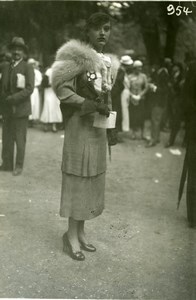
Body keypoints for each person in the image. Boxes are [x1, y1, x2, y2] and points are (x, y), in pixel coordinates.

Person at [52, 12, 117, 260]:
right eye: (98, 28)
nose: (103, 33)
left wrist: (110, 124)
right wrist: (88, 105)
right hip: (79, 125)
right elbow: (62, 89)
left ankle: (80, 232)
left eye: (107, 29)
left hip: (98, 127)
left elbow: (107, 94)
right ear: (88, 32)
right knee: (78, 177)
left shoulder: (107, 62)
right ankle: (70, 235)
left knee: (92, 177)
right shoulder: (75, 57)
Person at [0, 37, 34, 175]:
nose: (16, 52)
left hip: (21, 109)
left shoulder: (27, 67)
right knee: (7, 138)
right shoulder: (6, 66)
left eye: (19, 49)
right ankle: (6, 164)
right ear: (10, 51)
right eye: (14, 49)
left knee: (20, 139)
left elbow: (29, 88)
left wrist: (13, 98)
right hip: (7, 110)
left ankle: (19, 166)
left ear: (23, 52)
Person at [146, 58, 171, 147]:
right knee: (157, 119)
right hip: (160, 101)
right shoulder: (163, 71)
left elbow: (164, 89)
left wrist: (154, 88)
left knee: (155, 120)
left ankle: (153, 140)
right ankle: (156, 138)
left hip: (159, 101)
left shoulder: (163, 73)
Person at [165, 62, 185, 148]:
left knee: (176, 120)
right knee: (173, 119)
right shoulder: (172, 75)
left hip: (178, 100)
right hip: (172, 100)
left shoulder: (182, 77)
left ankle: (172, 141)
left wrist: (172, 87)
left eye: (175, 67)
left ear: (179, 68)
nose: (173, 69)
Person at [128, 60, 148, 139]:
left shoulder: (143, 76)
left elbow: (146, 87)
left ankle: (143, 134)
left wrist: (140, 95)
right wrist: (132, 95)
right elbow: (127, 88)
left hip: (141, 98)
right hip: (132, 99)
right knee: (133, 116)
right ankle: (133, 133)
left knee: (142, 116)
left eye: (141, 67)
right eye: (138, 67)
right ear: (134, 68)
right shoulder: (129, 76)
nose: (140, 69)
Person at [113, 55, 133, 135]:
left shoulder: (122, 70)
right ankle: (118, 130)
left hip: (124, 92)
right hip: (122, 93)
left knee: (123, 111)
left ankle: (120, 130)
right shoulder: (121, 71)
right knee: (121, 111)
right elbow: (119, 82)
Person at [40, 66, 62, 132]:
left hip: (54, 92)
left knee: (53, 107)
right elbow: (44, 83)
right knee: (49, 106)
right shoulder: (50, 71)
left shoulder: (56, 71)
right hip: (50, 91)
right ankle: (48, 126)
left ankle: (52, 126)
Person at [28, 58, 42, 126]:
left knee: (34, 104)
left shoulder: (37, 72)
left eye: (33, 64)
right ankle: (28, 119)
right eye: (30, 64)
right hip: (27, 89)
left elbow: (39, 81)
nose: (32, 65)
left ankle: (32, 119)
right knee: (29, 103)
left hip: (34, 89)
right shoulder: (27, 71)